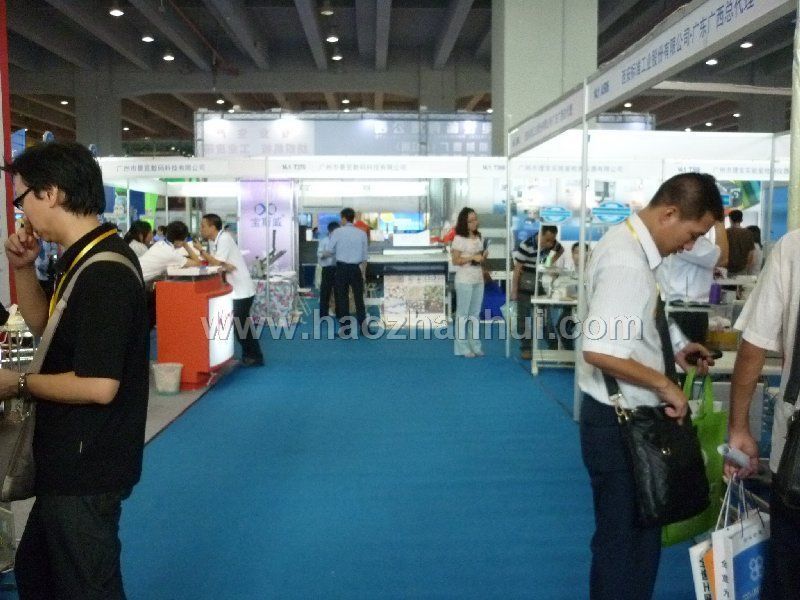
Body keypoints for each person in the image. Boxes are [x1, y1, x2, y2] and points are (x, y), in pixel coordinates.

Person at [2, 141, 149, 598]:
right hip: (69, 457)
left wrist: (18, 383)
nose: (22, 212)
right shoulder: (82, 257)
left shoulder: (104, 271)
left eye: (21, 199)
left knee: (85, 585)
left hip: (87, 463)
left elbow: (99, 385)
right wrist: (23, 269)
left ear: (50, 193)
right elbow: (46, 327)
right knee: (41, 574)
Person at [578, 172, 722, 600]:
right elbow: (601, 350)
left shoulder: (628, 248)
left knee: (634, 545)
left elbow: (630, 327)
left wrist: (672, 349)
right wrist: (664, 384)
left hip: (621, 418)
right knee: (625, 549)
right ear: (669, 213)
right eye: (693, 234)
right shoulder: (627, 263)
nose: (691, 246)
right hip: (622, 424)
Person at [726, 227, 800, 599]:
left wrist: (739, 428)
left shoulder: (795, 246)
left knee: (788, 573)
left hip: (796, 453)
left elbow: (754, 344)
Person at [196, 214, 264, 367]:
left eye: (203, 226)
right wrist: (223, 265)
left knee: (241, 325)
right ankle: (251, 355)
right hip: (237, 290)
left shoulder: (224, 239)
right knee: (241, 325)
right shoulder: (216, 241)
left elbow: (217, 262)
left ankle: (255, 356)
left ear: (213, 227)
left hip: (242, 290)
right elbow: (221, 265)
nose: (201, 229)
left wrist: (202, 251)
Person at [660, 220, 728, 343]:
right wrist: (719, 224)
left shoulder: (676, 235)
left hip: (681, 307)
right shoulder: (690, 240)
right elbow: (722, 258)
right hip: (686, 310)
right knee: (690, 353)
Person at [511, 225, 564, 359]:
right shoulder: (526, 245)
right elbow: (517, 269)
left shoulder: (553, 244)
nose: (550, 244)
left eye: (552, 240)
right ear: (540, 234)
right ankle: (526, 348)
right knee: (523, 318)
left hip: (541, 283)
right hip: (525, 284)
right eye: (547, 240)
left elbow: (560, 250)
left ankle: (553, 345)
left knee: (545, 318)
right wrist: (514, 290)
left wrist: (549, 261)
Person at [450, 207, 487, 357]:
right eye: (470, 221)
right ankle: (462, 348)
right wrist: (472, 257)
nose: (474, 223)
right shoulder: (459, 238)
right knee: (462, 314)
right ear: (464, 222)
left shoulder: (479, 237)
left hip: (478, 277)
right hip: (464, 279)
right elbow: (455, 260)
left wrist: (483, 256)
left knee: (475, 314)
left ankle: (475, 345)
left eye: (475, 219)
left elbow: (479, 258)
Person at [328, 207, 369, 336]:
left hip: (341, 268)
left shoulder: (337, 232)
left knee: (342, 299)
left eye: (341, 218)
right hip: (356, 269)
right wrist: (363, 273)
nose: (341, 220)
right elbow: (364, 256)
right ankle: (364, 329)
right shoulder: (361, 233)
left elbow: (329, 250)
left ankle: (346, 330)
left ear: (344, 218)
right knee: (359, 299)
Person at [138, 220, 202, 283]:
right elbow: (197, 263)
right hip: (137, 282)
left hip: (135, 274)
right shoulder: (172, 254)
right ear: (180, 241)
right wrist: (186, 245)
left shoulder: (160, 243)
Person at [317, 221, 340, 319]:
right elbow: (319, 254)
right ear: (331, 231)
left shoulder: (340, 241)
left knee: (339, 291)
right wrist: (327, 254)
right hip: (327, 268)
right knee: (325, 292)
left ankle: (339, 313)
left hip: (339, 268)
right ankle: (323, 314)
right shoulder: (324, 241)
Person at [726, 209, 755, 275]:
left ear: (730, 220)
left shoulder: (725, 233)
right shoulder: (748, 233)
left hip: (727, 268)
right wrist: (747, 267)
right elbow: (751, 253)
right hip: (742, 269)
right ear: (741, 220)